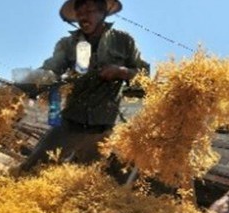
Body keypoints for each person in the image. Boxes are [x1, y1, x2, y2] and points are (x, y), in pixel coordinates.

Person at [10, 0, 148, 174]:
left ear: (103, 12)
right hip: (71, 121)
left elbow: (143, 75)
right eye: (79, 12)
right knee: (32, 169)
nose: (83, 15)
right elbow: (51, 70)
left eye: (89, 10)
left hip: (104, 129)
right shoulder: (68, 44)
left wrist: (121, 71)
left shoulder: (123, 41)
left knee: (81, 183)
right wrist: (20, 87)